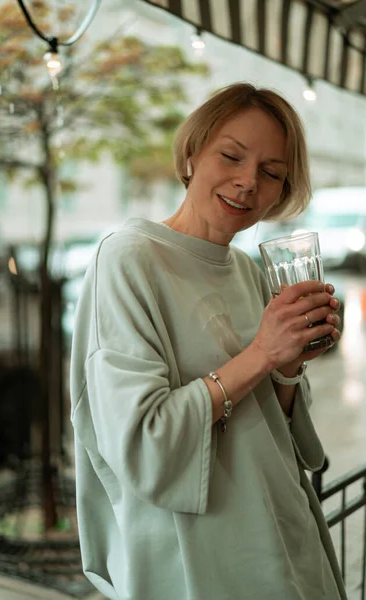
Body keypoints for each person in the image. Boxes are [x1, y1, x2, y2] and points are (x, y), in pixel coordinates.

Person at [70, 83, 346, 600]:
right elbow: (141, 440)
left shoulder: (248, 268)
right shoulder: (130, 257)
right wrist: (263, 352)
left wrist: (290, 363)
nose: (247, 183)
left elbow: (277, 427)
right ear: (192, 152)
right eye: (231, 156)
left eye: (271, 173)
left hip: (281, 525)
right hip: (199, 552)